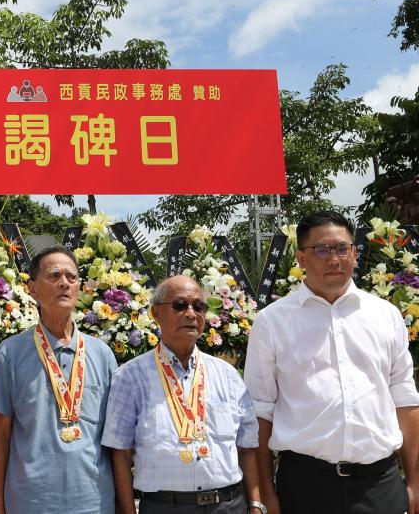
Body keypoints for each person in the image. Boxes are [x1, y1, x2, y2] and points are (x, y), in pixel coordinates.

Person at [244, 209, 419, 514]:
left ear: (354, 253)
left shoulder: (385, 315)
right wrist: (265, 494)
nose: (334, 258)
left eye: (342, 248)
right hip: (304, 486)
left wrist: (415, 482)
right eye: (321, 250)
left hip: (379, 485)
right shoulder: (272, 322)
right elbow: (259, 411)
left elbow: (404, 399)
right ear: (301, 258)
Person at [103, 275, 263, 514]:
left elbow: (247, 447)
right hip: (165, 507)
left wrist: (256, 505)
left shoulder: (227, 375)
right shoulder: (130, 377)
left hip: (228, 505)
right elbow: (120, 452)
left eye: (199, 307)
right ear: (156, 314)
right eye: (180, 305)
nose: (191, 314)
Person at [0, 246, 117, 514]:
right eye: (54, 275)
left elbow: (116, 436)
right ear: (33, 289)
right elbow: (0, 434)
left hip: (94, 501)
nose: (64, 283)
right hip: (29, 501)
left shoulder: (102, 354)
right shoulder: (9, 353)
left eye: (71, 277)